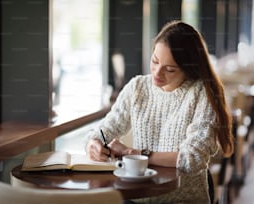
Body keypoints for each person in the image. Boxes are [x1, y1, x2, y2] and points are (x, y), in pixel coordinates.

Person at [85, 20, 234, 203]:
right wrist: (93, 144)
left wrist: (132, 152)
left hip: (183, 200)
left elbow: (191, 159)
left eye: (170, 70)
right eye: (155, 61)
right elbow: (103, 130)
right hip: (137, 198)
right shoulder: (138, 87)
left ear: (188, 69)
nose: (157, 73)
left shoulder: (202, 93)